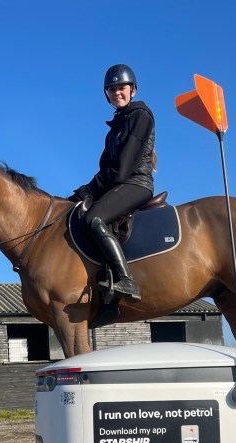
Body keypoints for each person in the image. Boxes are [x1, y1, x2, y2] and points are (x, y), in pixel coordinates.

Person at [70, 64, 155, 303]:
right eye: (112, 89)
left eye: (122, 88)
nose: (117, 92)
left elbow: (120, 170)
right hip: (120, 184)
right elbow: (106, 169)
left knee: (94, 219)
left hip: (136, 182)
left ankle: (126, 279)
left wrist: (88, 190)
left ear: (133, 90)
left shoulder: (140, 116)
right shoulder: (115, 127)